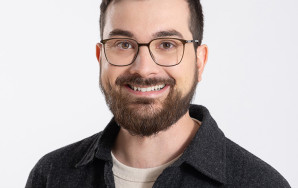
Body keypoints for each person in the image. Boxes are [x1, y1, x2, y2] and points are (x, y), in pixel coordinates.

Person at [26, 0, 291, 187]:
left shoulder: (262, 183)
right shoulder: (51, 175)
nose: (144, 68)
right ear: (101, 58)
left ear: (200, 61)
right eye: (123, 44)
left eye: (167, 44)